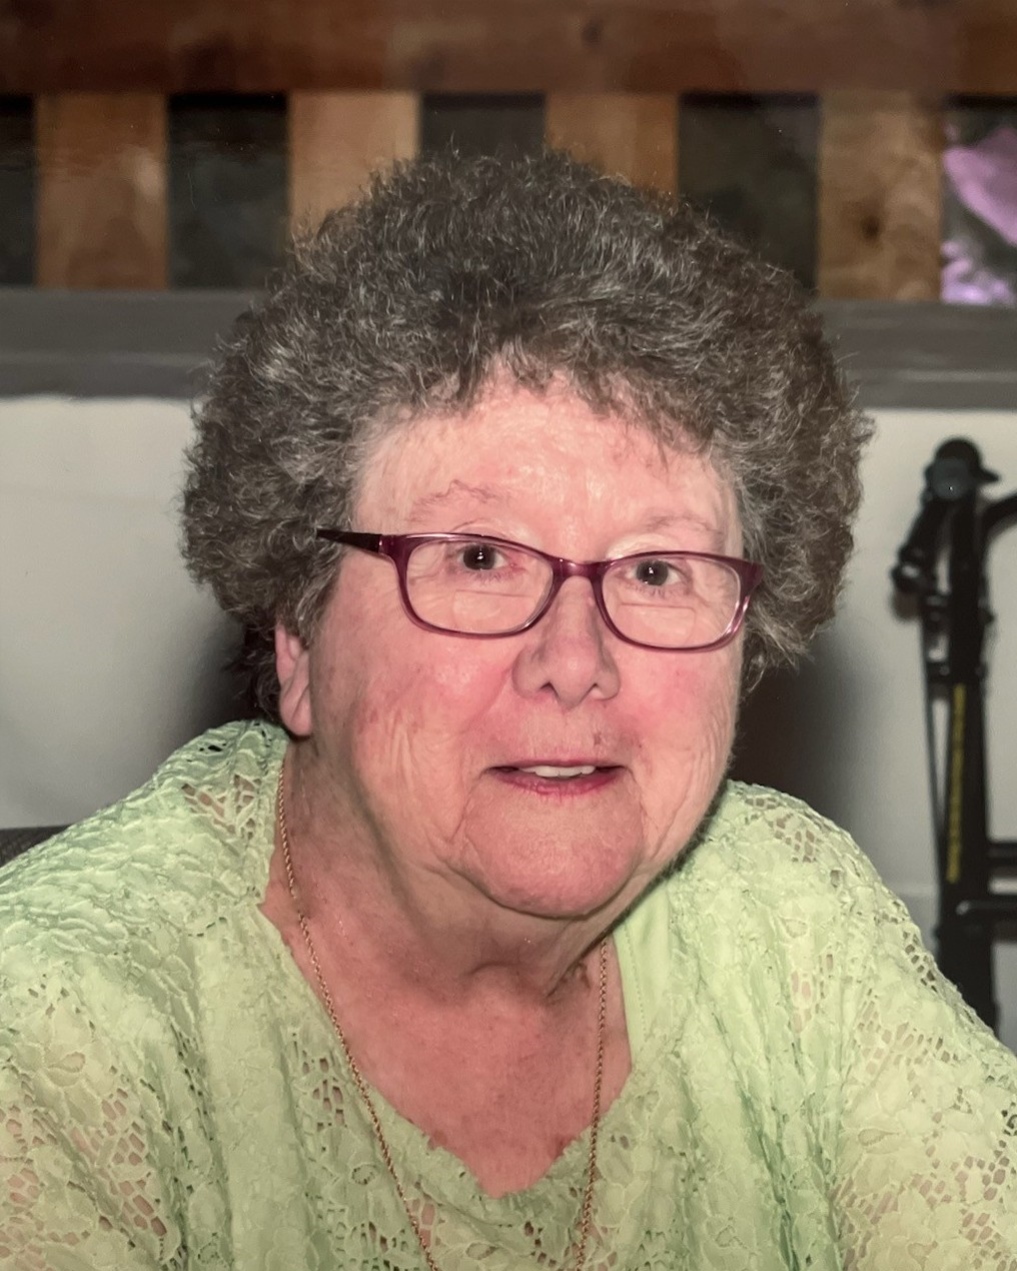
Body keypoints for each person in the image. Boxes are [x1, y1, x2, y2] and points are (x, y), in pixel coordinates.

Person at [1, 151, 1015, 1271]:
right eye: (479, 556)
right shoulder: (54, 1028)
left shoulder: (791, 920)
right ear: (298, 632)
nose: (574, 663)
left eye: (657, 569)